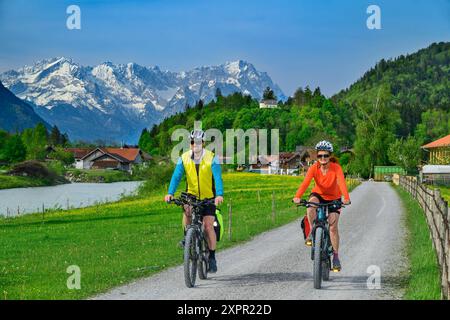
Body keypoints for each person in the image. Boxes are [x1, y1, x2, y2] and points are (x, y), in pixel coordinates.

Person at [164, 129, 224, 273]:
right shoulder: (183, 158)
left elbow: (217, 178)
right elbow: (176, 176)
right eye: (192, 142)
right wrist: (170, 193)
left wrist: (219, 194)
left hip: (208, 196)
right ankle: (187, 237)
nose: (195, 144)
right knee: (187, 210)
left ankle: (212, 257)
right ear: (190, 144)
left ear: (203, 143)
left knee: (208, 226)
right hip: (191, 195)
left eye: (198, 142)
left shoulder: (212, 157)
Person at [292, 140, 350, 271]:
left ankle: (335, 257)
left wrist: (346, 197)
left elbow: (341, 183)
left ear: (330, 156)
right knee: (310, 206)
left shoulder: (336, 168)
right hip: (318, 194)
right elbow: (305, 183)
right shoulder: (314, 168)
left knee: (333, 227)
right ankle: (313, 232)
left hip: (334, 197)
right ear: (317, 156)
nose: (323, 158)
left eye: (325, 155)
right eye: (320, 156)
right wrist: (297, 196)